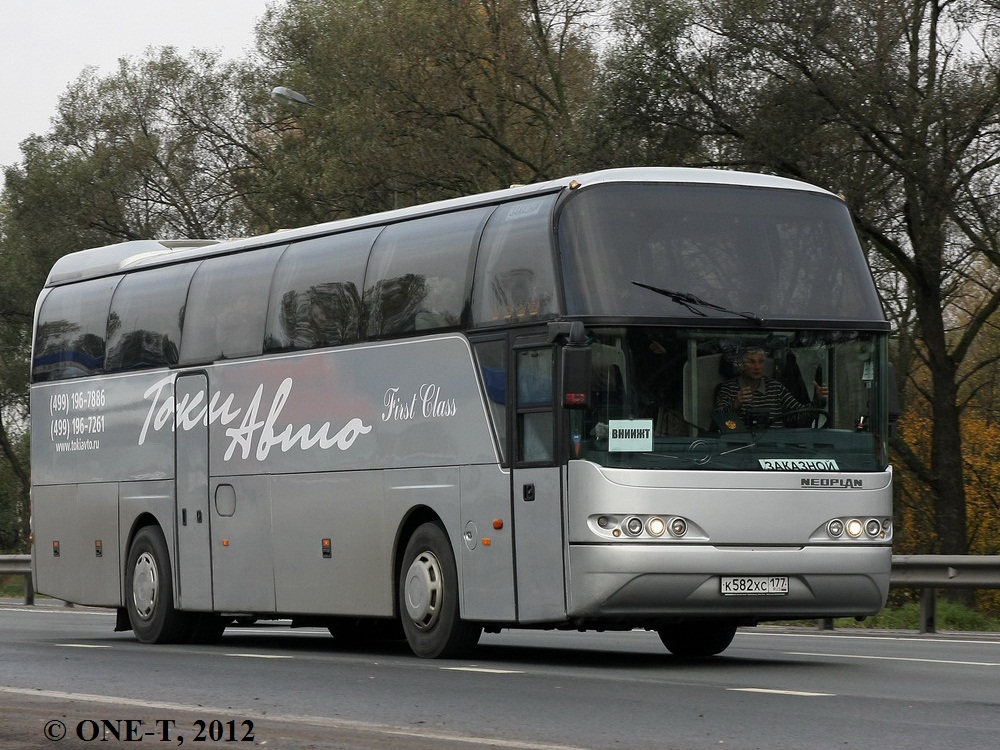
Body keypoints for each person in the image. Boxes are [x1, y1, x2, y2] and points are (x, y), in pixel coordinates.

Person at [713, 347, 827, 427]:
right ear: (742, 365)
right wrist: (736, 404)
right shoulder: (729, 388)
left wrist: (818, 400)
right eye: (751, 362)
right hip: (741, 447)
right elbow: (718, 419)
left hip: (775, 448)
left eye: (760, 362)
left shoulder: (775, 388)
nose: (757, 367)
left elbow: (799, 416)